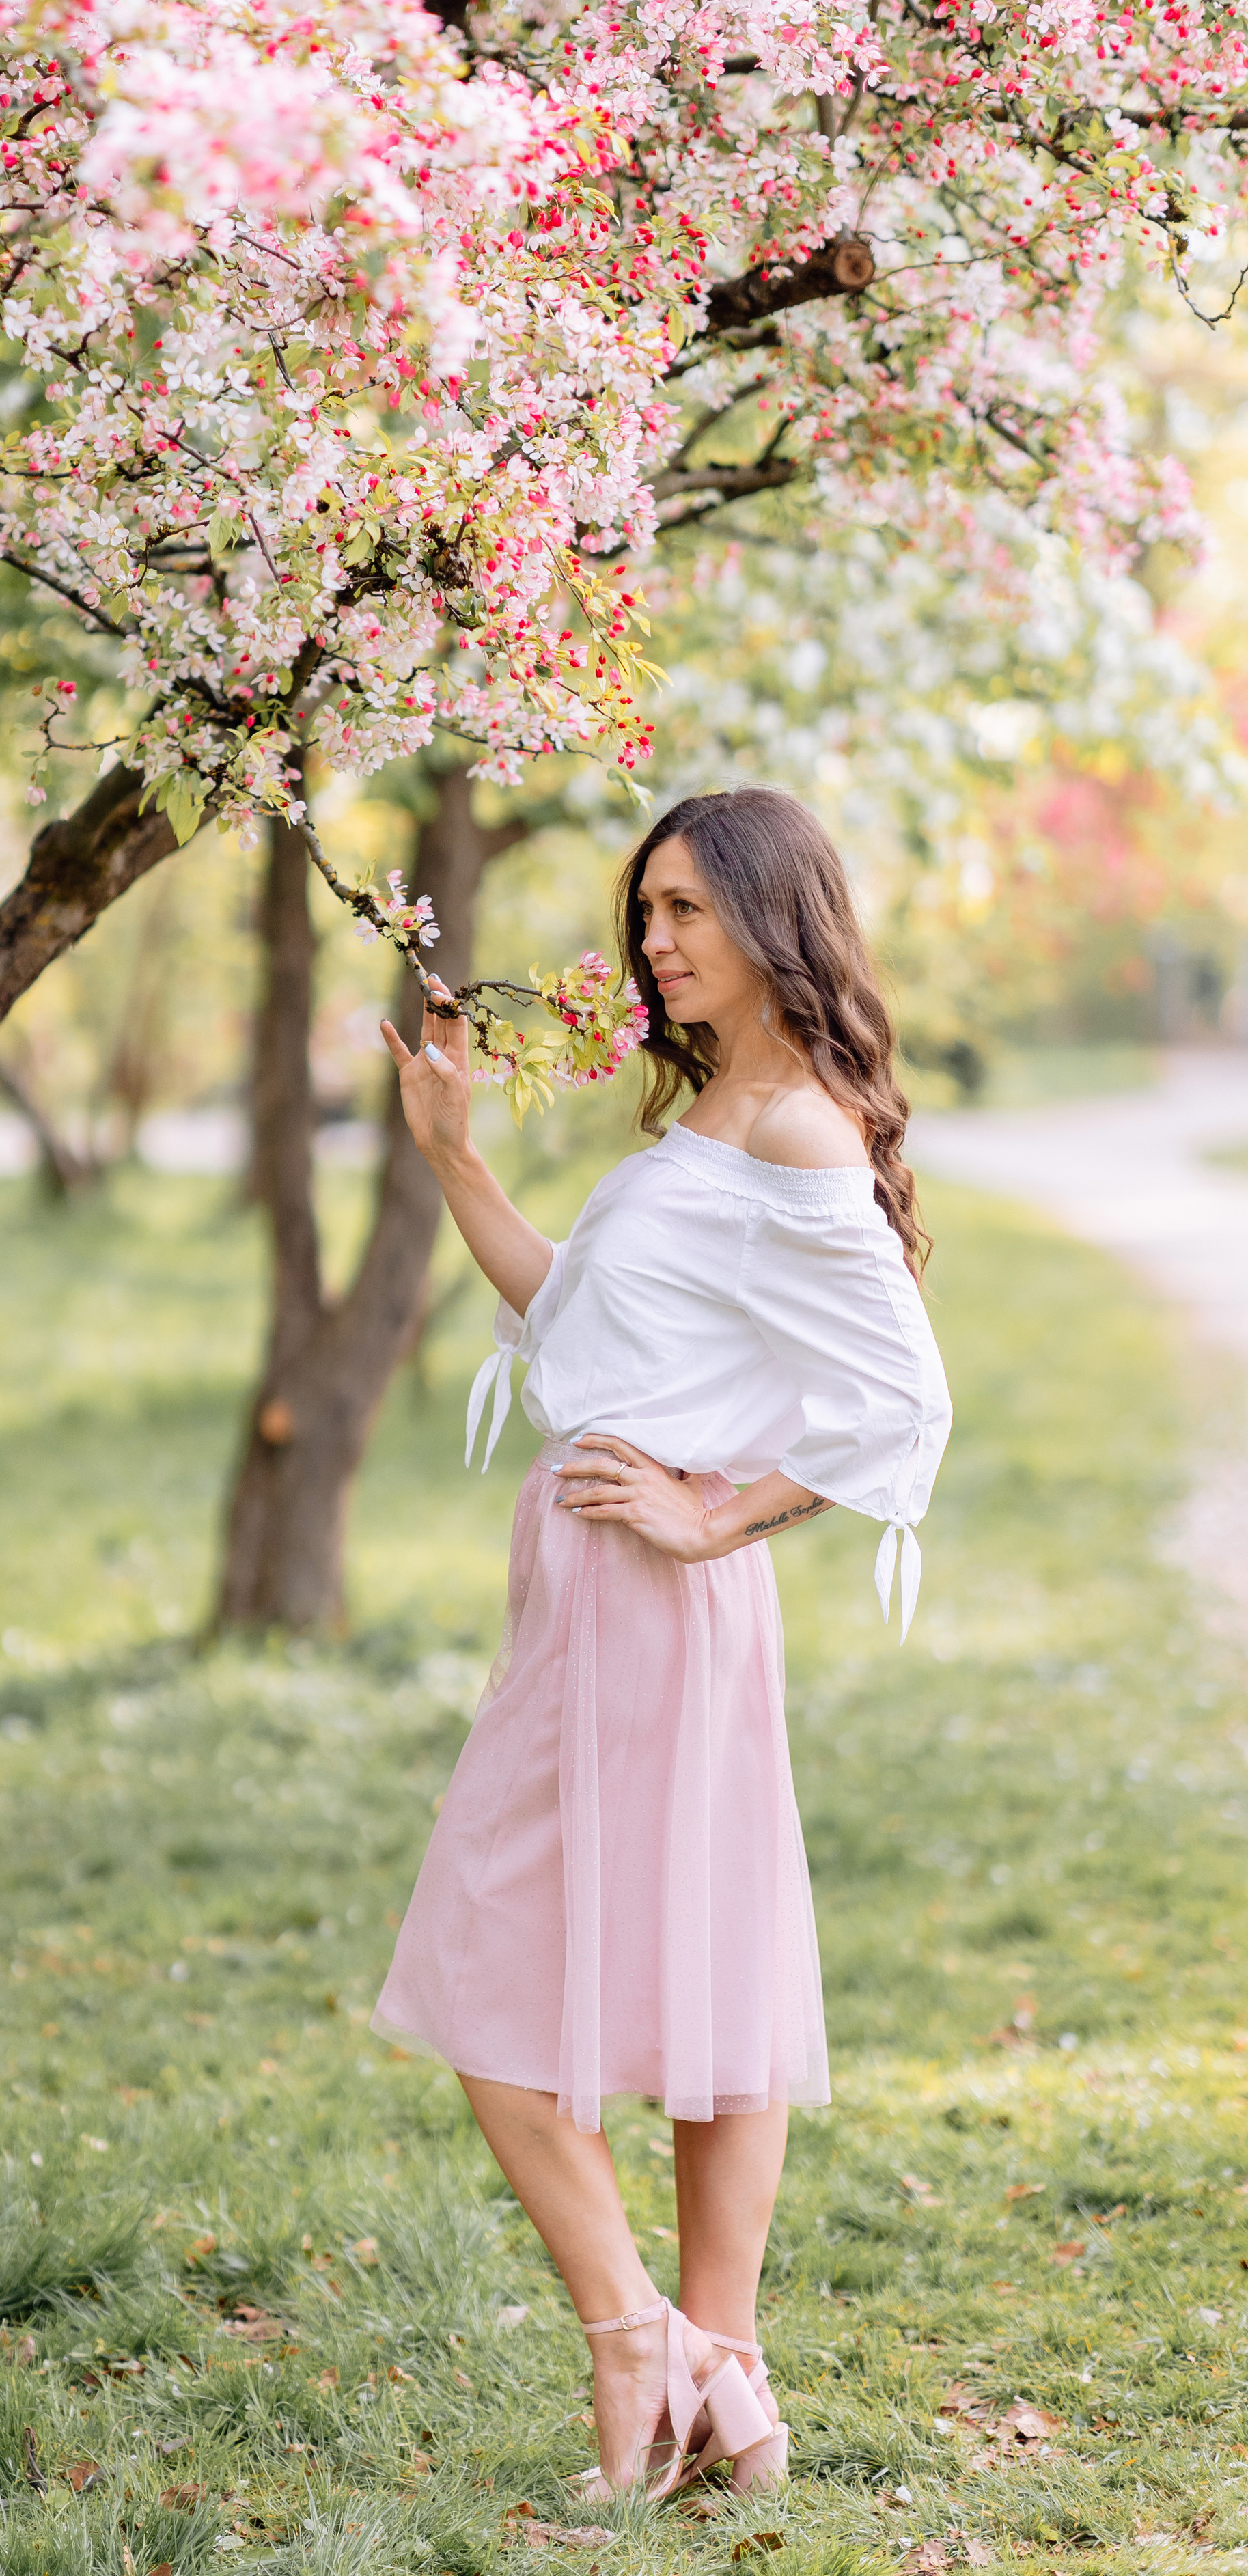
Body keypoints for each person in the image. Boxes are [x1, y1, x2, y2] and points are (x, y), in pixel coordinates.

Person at [374, 787, 952, 2501]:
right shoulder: (729, 1109)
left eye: (687, 908)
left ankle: (646, 2346)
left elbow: (901, 1402)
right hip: (616, 1592)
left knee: (485, 1964)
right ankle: (730, 2393)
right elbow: (571, 1324)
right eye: (646, 912)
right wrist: (454, 1158)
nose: (654, 940)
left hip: (651, 1589)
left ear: (778, 916)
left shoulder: (793, 1129)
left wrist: (713, 1517)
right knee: (696, 1974)